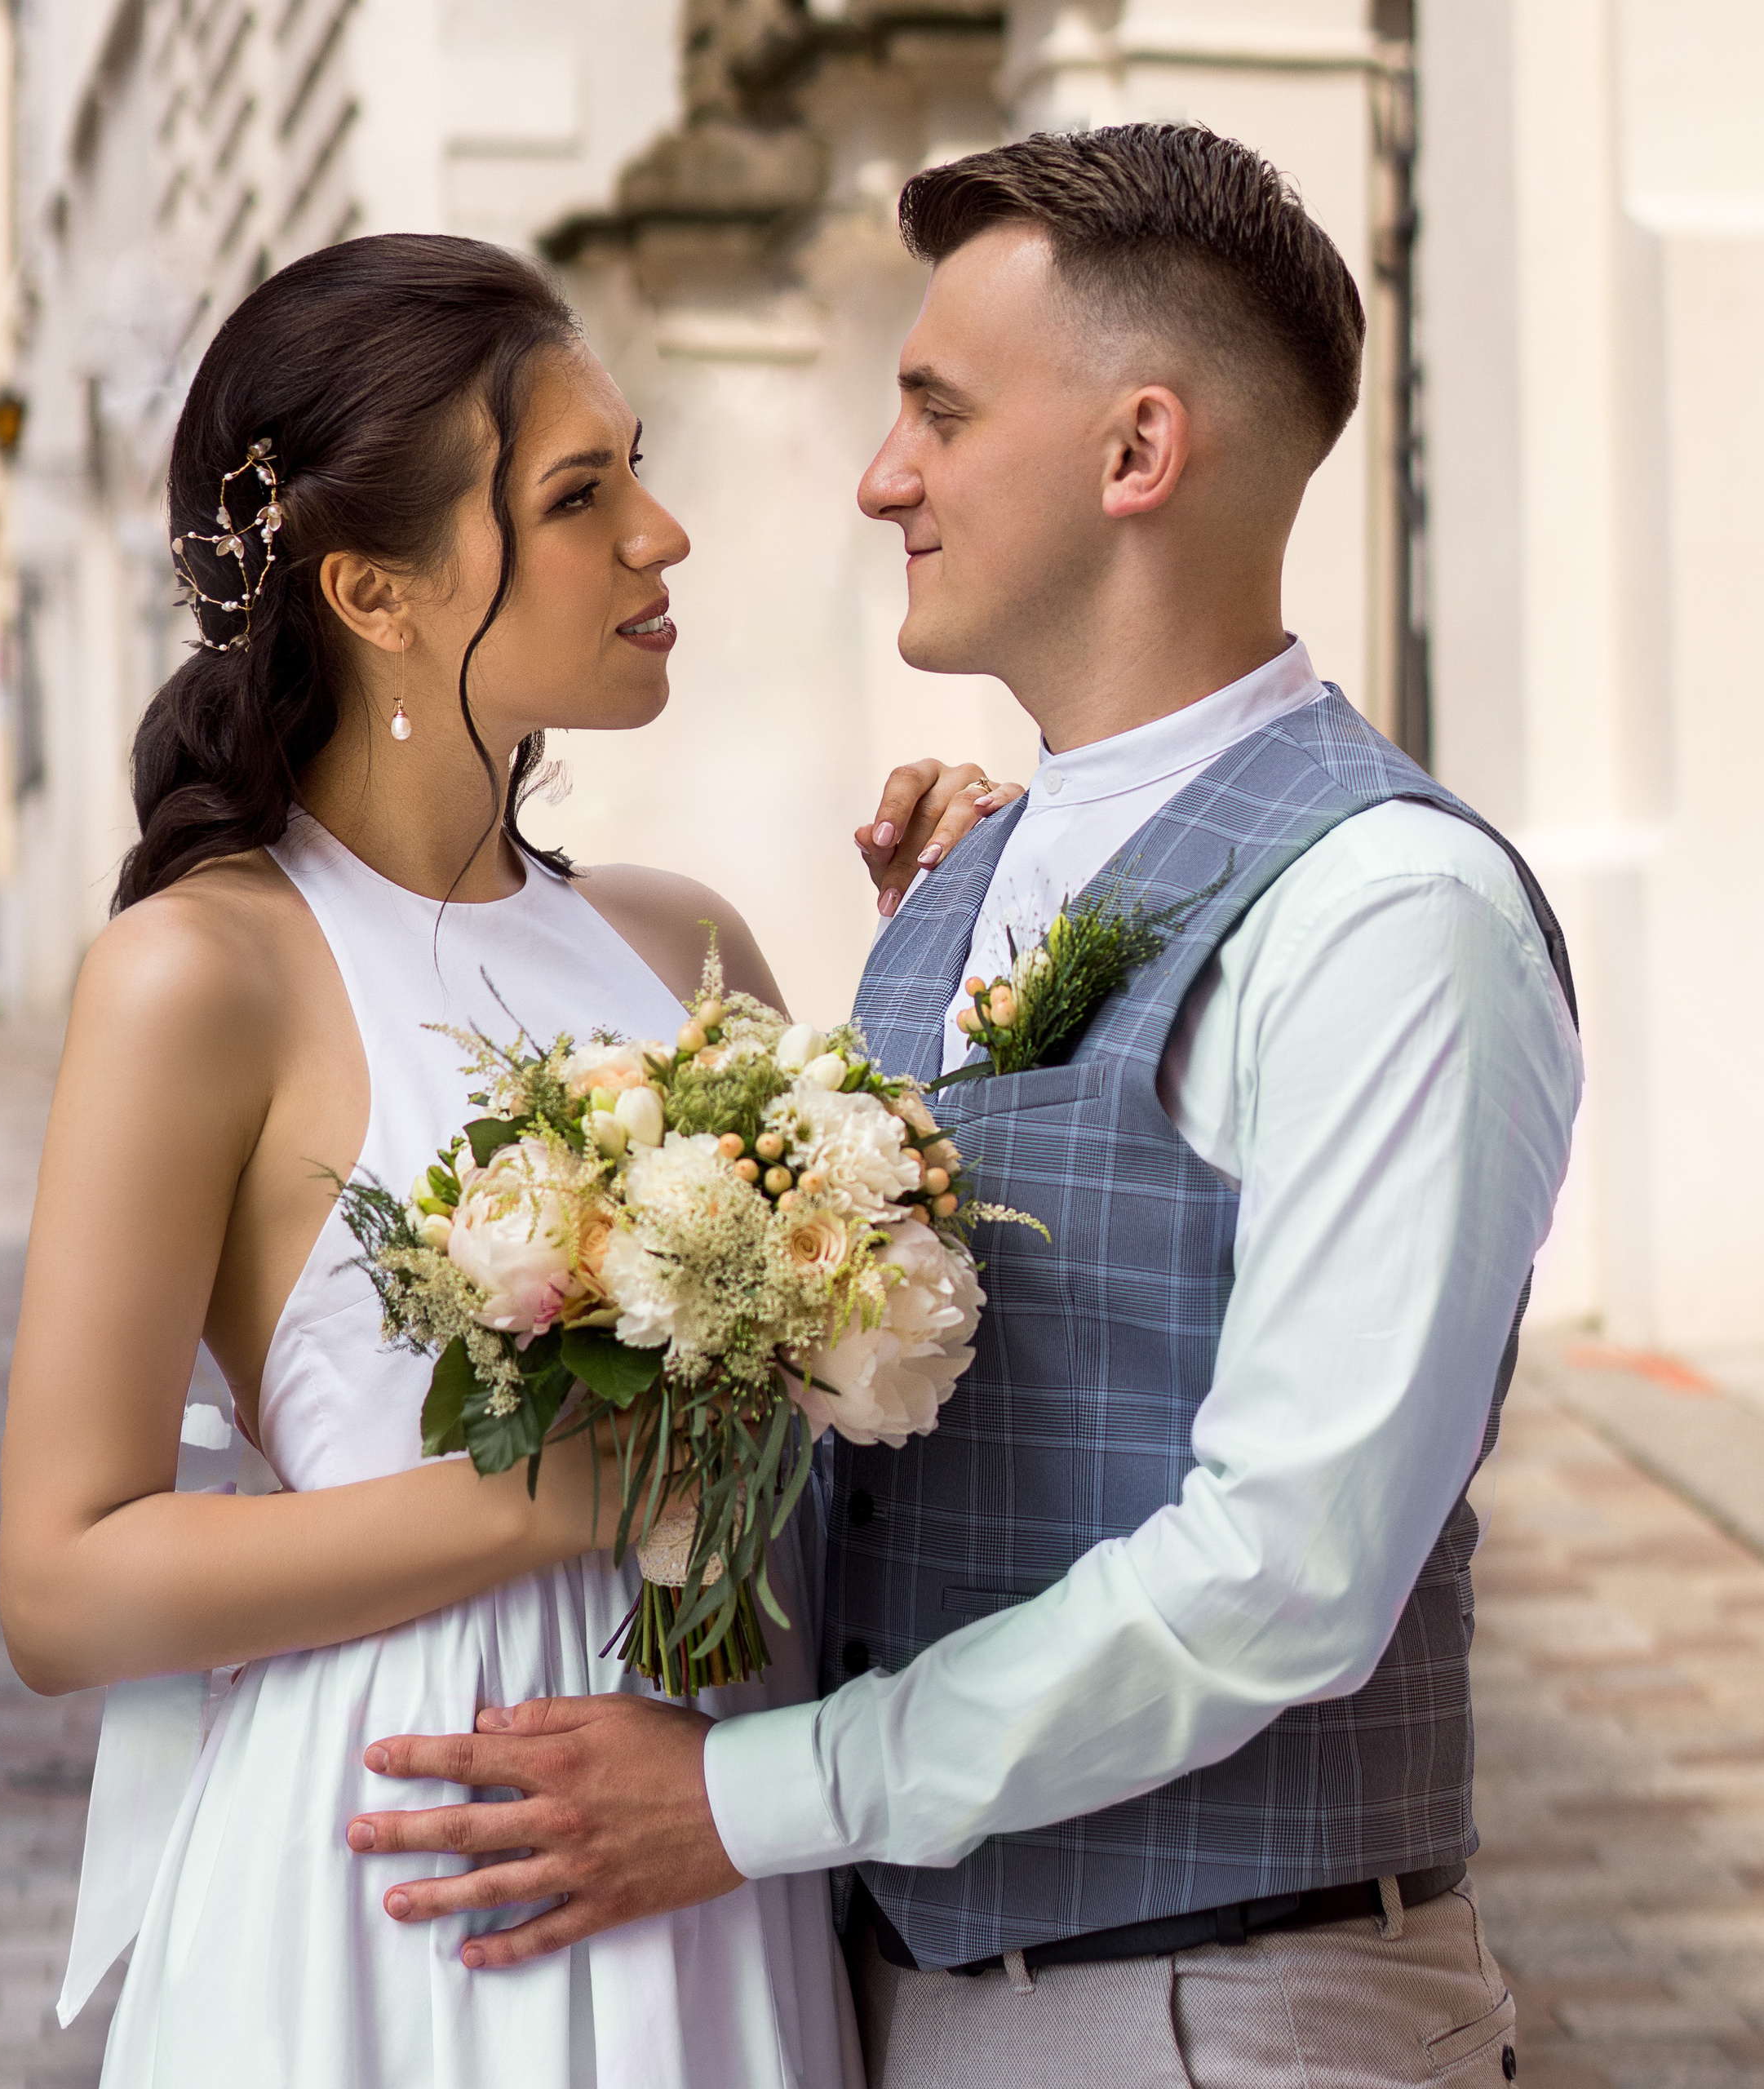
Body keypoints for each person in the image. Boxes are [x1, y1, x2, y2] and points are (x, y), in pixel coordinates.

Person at [351, 126, 1584, 2087]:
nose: (878, 475)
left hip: (1218, 2007)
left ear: (1132, 455)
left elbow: (1283, 1572)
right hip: (891, 1991)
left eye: (932, 408)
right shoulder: (977, 872)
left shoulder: (1390, 917)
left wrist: (751, 1796)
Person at [0, 231, 1016, 2087]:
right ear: (376, 589)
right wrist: (547, 1500)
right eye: (578, 493)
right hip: (406, 1875)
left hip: (713, 1833)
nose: (660, 532)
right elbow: (64, 1585)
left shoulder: (676, 935)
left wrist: (946, 971)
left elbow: (843, 1412)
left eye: (632, 465)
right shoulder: (200, 971)